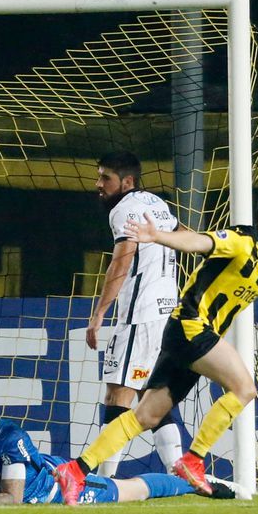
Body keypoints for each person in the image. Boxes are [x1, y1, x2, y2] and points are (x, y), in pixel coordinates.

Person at [55, 188, 258, 505]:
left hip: (183, 334)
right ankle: (193, 460)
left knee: (144, 416)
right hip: (190, 325)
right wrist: (157, 235)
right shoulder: (242, 241)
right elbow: (200, 242)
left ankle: (75, 470)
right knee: (244, 389)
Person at [85, 151, 183, 477]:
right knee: (149, 395)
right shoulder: (156, 203)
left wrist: (99, 313)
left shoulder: (124, 209)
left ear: (127, 182)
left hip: (140, 315)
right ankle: (178, 473)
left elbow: (123, 257)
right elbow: (183, 235)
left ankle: (104, 479)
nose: (99, 184)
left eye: (105, 178)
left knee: (118, 393)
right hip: (166, 311)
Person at [0, 417, 231, 505]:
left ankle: (193, 483)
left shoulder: (8, 439)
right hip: (17, 486)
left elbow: (12, 498)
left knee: (131, 490)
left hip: (50, 487)